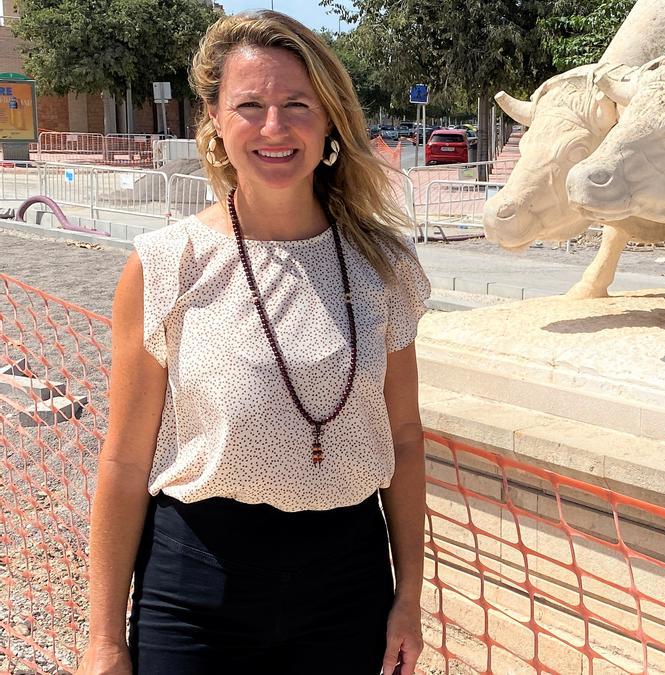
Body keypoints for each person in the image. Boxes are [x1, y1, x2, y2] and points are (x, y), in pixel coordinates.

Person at [77, 10, 431, 675]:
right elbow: (124, 462)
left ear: (328, 120)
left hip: (348, 588)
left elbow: (405, 438)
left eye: (297, 104)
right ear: (212, 119)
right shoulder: (166, 263)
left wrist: (409, 597)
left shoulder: (384, 267)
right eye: (249, 105)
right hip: (195, 589)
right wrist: (103, 640)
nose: (274, 127)